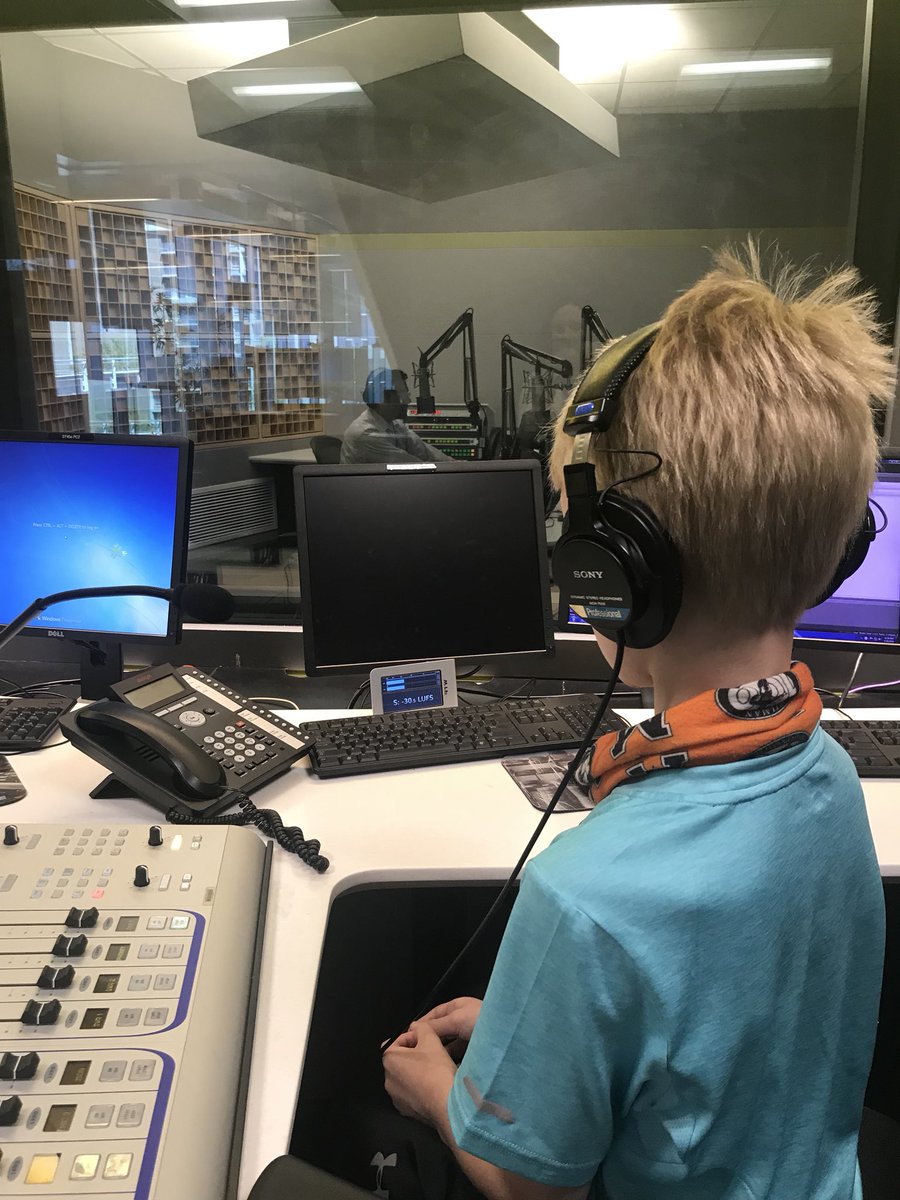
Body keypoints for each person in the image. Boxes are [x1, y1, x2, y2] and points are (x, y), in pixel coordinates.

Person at [381, 245, 895, 1200]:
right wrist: (556, 1030)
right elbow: (722, 1014)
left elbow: (530, 1187)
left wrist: (439, 1092)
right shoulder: (823, 774)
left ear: (610, 570)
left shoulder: (585, 897)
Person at [340, 368, 452, 465]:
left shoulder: (396, 425)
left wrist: (460, 466)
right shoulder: (365, 434)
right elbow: (412, 466)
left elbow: (426, 453)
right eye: (402, 396)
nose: (408, 401)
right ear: (383, 400)